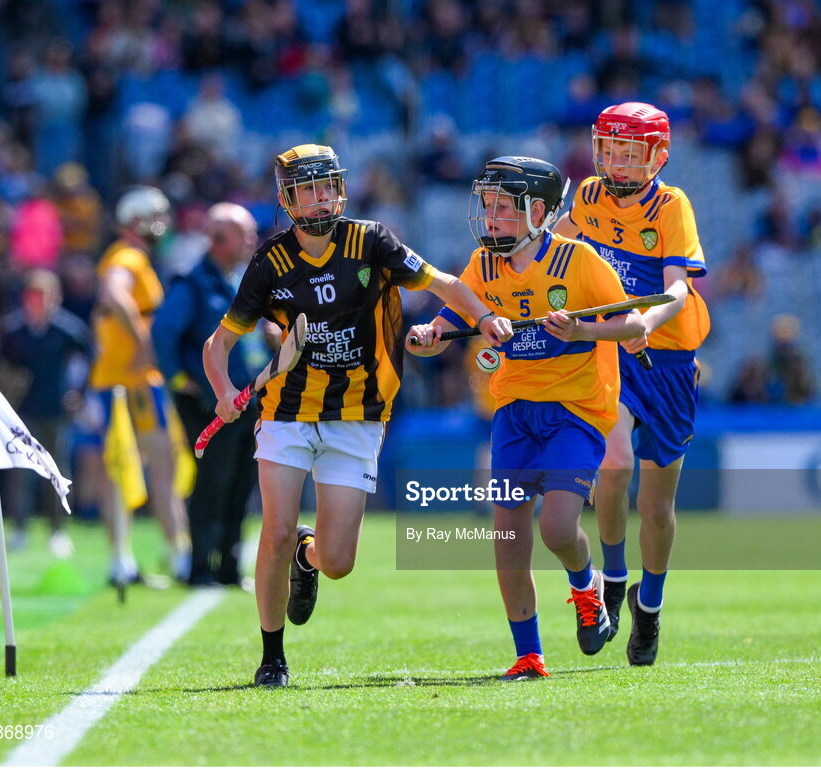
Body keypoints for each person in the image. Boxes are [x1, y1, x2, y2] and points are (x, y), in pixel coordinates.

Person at [203, 144, 511, 688]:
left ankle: (308, 555)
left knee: (338, 561)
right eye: (310, 189)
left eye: (329, 186)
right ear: (288, 198)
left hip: (358, 414)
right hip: (288, 411)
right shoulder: (270, 262)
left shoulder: (373, 241)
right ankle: (272, 656)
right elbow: (219, 344)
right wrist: (225, 390)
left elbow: (443, 283)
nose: (323, 198)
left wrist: (483, 315)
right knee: (272, 529)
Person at [408, 156, 646, 681]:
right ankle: (529, 654)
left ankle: (588, 592)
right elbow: (447, 323)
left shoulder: (579, 263)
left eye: (502, 208)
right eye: (486, 206)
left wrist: (582, 333)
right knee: (510, 539)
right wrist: (426, 338)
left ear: (538, 211)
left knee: (558, 528)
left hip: (575, 413)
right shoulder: (483, 266)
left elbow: (634, 329)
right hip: (513, 414)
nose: (490, 218)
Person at [553, 102, 711, 666]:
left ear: (657, 156)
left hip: (668, 361)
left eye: (629, 153)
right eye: (609, 150)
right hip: (612, 351)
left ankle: (650, 606)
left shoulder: (671, 205)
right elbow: (554, 245)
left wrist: (646, 323)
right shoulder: (590, 194)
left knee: (657, 502)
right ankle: (612, 582)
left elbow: (678, 290)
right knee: (614, 465)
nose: (615, 162)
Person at [152, 203, 265, 586]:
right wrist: (182, 383)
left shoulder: (238, 279)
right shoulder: (193, 284)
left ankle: (229, 567)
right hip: (211, 404)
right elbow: (164, 332)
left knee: (241, 482)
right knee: (212, 482)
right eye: (243, 232)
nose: (252, 239)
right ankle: (201, 566)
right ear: (217, 239)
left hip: (246, 402)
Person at [91, 186, 190, 585]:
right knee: (154, 466)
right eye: (157, 216)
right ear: (138, 220)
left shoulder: (132, 257)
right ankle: (176, 552)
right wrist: (144, 342)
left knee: (126, 468)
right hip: (131, 382)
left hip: (120, 380)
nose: (163, 224)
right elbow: (113, 294)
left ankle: (126, 558)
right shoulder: (127, 256)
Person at [0, 270, 91, 557]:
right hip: (22, 413)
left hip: (56, 411)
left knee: (57, 471)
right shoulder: (14, 332)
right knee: (20, 473)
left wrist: (80, 393)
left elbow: (90, 358)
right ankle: (19, 529)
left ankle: (58, 530)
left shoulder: (67, 329)